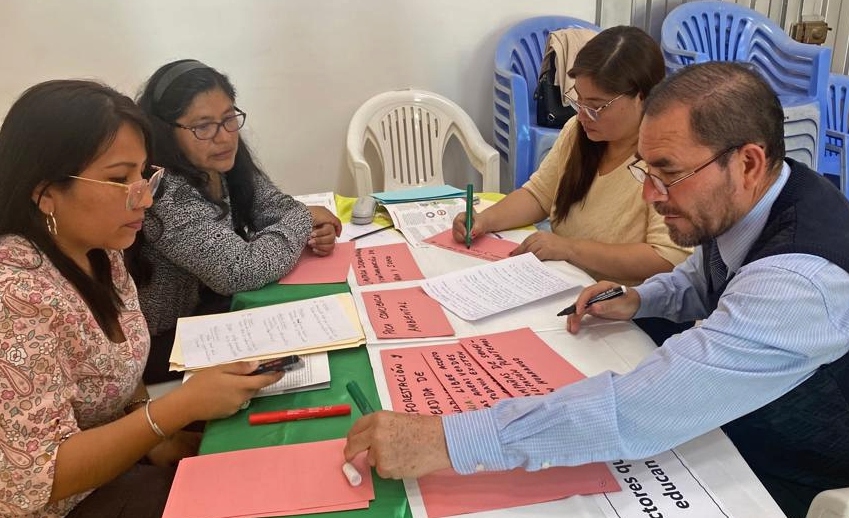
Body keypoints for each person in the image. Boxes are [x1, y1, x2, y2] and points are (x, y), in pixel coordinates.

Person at [344, 62, 849, 518]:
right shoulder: (763, 191)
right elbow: (703, 277)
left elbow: (642, 409)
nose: (652, 195)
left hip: (794, 468)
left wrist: (448, 439)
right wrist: (642, 298)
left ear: (748, 163)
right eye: (646, 170)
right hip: (738, 424)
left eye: (669, 173)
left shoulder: (800, 282)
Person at [0, 80, 282, 518]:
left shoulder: (103, 249)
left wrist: (159, 436)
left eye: (143, 174)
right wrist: (173, 412)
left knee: (263, 456)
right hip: (57, 505)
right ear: (45, 193)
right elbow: (37, 479)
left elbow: (121, 362)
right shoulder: (15, 297)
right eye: (119, 179)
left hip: (118, 464)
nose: (145, 198)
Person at [130, 59, 341, 384]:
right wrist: (304, 217)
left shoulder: (220, 162)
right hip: (166, 344)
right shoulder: (164, 193)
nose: (225, 137)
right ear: (165, 132)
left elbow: (274, 206)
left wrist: (307, 225)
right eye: (203, 127)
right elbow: (239, 271)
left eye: (229, 119)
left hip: (211, 316)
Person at [453, 26, 690, 287]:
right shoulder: (579, 133)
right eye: (578, 101)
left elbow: (666, 260)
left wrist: (569, 248)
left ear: (643, 98)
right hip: (564, 281)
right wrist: (483, 220)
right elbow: (538, 195)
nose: (582, 115)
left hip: (626, 305)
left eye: (597, 106)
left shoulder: (669, 162)